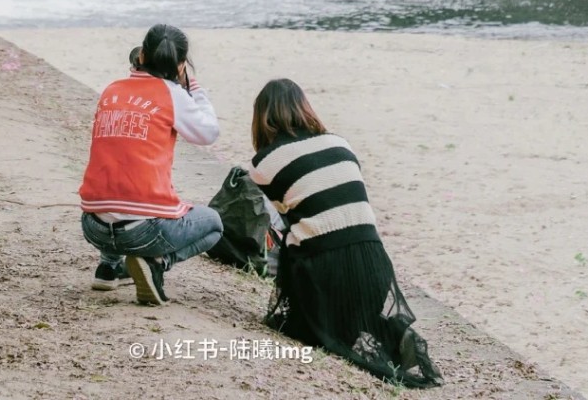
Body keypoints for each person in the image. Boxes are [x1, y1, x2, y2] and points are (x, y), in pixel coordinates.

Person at [248, 78, 442, 388]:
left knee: (288, 240)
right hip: (375, 265)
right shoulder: (340, 143)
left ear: (262, 117)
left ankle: (318, 315)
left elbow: (282, 221)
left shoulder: (263, 164)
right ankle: (389, 333)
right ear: (304, 107)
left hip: (325, 268)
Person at [79, 23, 222, 305]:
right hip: (142, 232)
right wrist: (194, 87)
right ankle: (158, 262)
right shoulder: (173, 94)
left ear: (141, 56)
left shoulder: (112, 91)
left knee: (117, 174)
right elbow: (208, 133)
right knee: (214, 223)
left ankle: (109, 267)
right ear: (181, 65)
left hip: (93, 225)